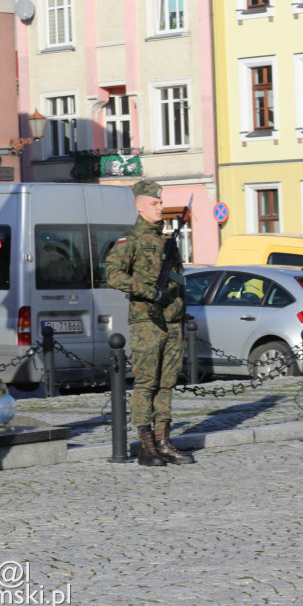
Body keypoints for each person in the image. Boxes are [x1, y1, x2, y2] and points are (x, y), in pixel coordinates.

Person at [106, 180, 194, 467]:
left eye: (161, 202)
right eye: (155, 203)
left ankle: (163, 441)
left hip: (173, 321)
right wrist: (149, 291)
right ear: (140, 207)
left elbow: (178, 280)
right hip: (147, 321)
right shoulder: (130, 240)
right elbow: (113, 275)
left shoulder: (166, 241)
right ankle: (146, 446)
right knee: (146, 383)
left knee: (167, 383)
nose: (160, 207)